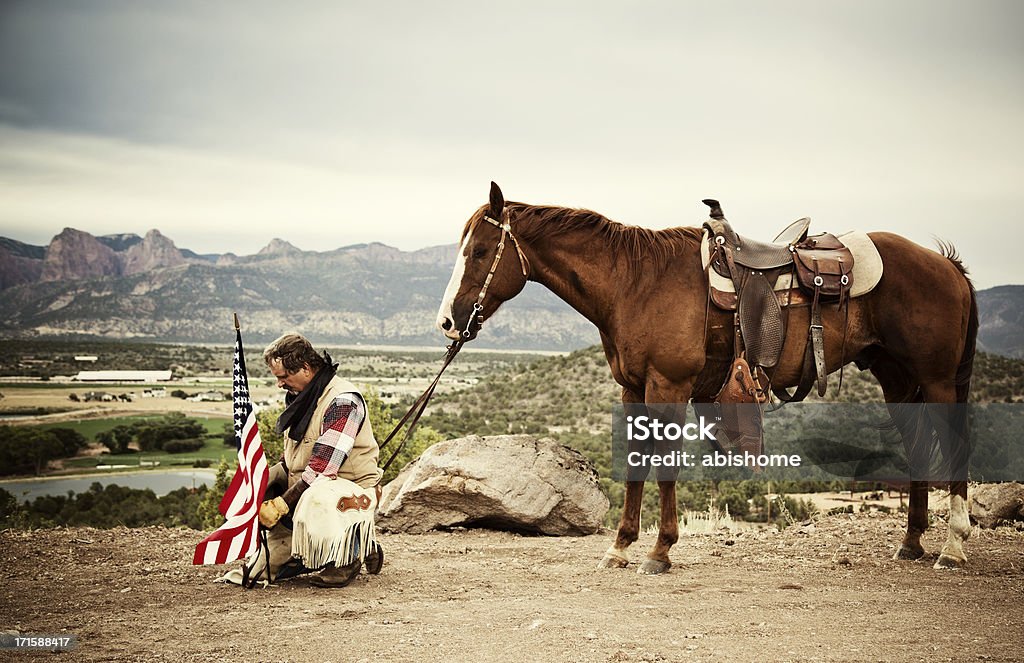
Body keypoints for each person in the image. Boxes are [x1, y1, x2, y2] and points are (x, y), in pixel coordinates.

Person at [221, 332, 384, 588]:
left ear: (306, 368)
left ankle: (351, 551)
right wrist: (262, 484)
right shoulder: (303, 398)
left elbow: (321, 469)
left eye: (284, 377)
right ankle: (326, 546)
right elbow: (295, 457)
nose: (280, 384)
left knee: (318, 495)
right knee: (255, 572)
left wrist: (280, 506)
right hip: (309, 496)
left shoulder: (343, 401)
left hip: (346, 494)